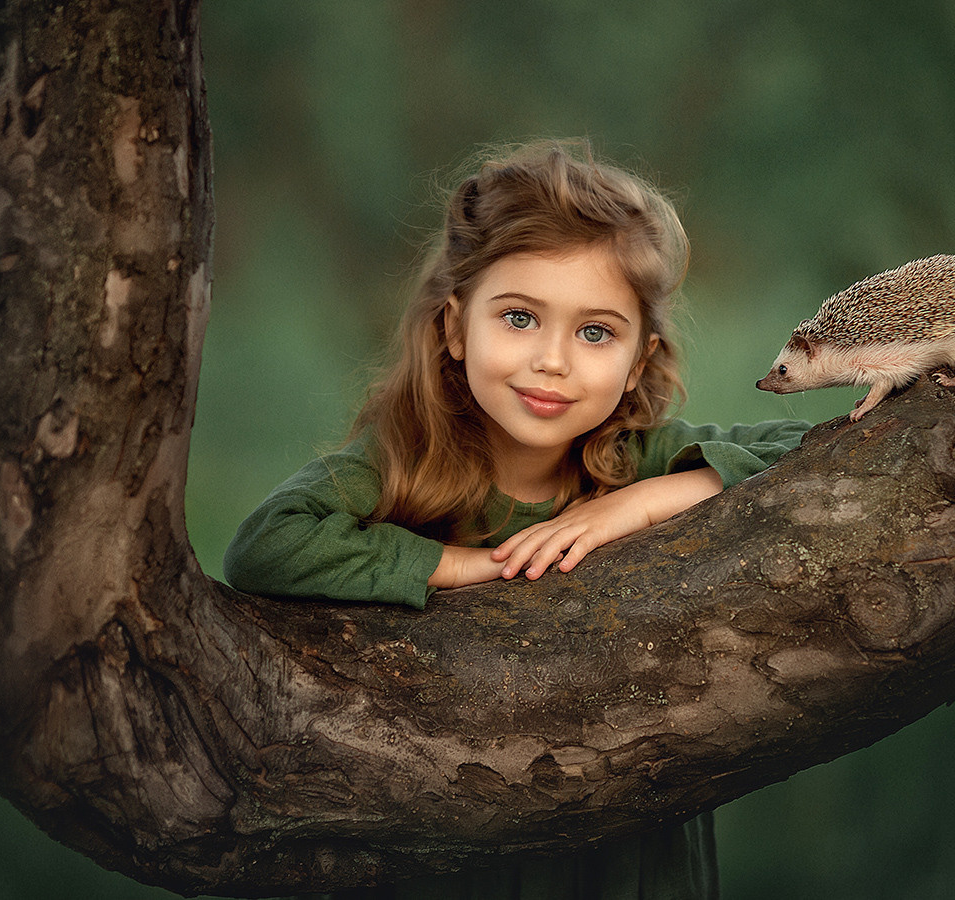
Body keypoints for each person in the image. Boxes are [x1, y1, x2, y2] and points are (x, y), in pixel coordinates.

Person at [224, 140, 810, 899]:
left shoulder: (641, 457)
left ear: (638, 362)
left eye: (595, 332)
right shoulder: (403, 459)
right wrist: (457, 566)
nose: (553, 361)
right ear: (456, 328)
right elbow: (265, 543)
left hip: (630, 845)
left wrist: (638, 503)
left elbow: (817, 444)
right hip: (462, 836)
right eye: (521, 318)